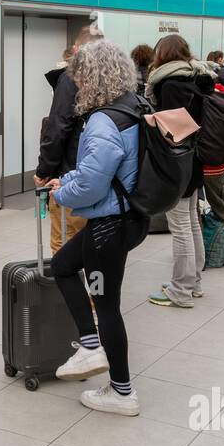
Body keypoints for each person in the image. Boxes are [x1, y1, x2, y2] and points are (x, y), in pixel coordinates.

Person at [42, 41, 146, 415]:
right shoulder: (133, 106)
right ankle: (89, 345)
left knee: (107, 305)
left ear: (92, 76)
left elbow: (91, 185)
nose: (76, 84)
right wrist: (68, 179)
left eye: (79, 76)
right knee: (64, 265)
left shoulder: (103, 120)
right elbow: (99, 170)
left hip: (108, 227)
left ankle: (122, 392)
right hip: (128, 218)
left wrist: (63, 192)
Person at [141, 35, 212, 307]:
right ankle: (193, 283)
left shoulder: (170, 83)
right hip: (195, 159)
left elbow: (173, 128)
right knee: (191, 219)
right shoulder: (197, 76)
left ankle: (180, 290)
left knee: (180, 224)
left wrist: (150, 120)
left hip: (177, 161)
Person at [35, 25, 101, 253]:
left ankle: (68, 288)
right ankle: (94, 288)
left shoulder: (71, 78)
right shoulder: (113, 80)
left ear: (75, 49)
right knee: (94, 242)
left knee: (65, 240)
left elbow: (57, 129)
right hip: (103, 176)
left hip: (71, 174)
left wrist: (44, 171)